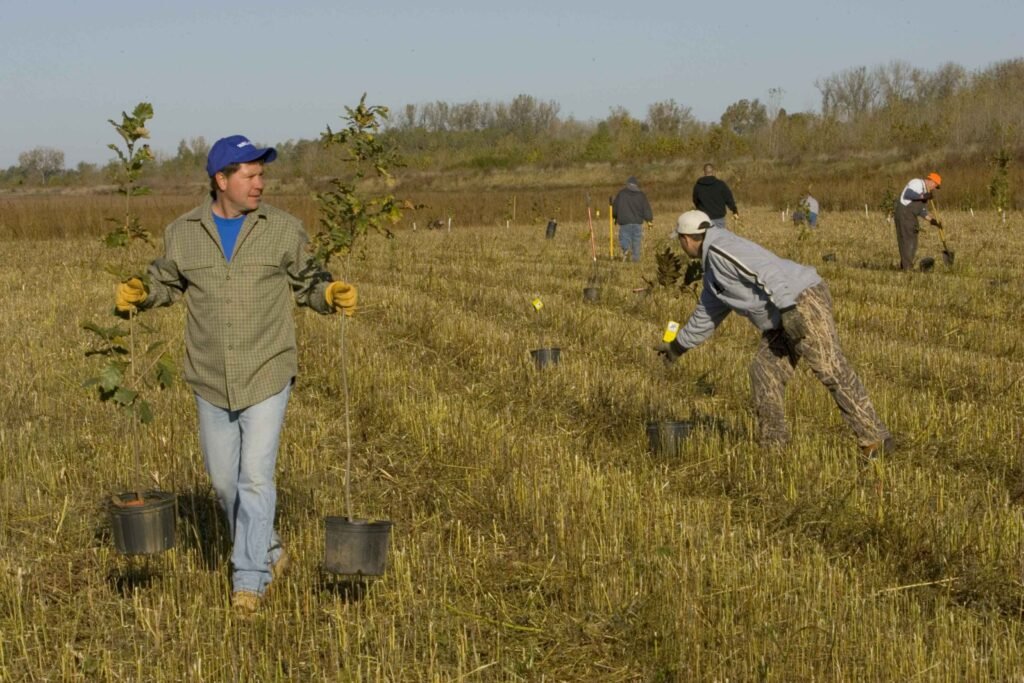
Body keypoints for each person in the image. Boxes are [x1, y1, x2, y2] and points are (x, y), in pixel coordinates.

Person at [114, 134, 357, 613]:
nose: (260, 183)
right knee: (226, 485)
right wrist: (140, 292)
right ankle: (269, 551)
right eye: (250, 175)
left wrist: (328, 295)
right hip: (209, 377)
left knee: (255, 479)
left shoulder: (282, 229)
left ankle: (249, 579)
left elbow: (309, 280)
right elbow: (165, 281)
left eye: (262, 174)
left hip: (267, 370)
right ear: (220, 180)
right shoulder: (183, 232)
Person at [655, 210, 893, 458]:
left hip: (800, 300)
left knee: (829, 366)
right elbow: (706, 314)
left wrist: (789, 309)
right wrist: (677, 346)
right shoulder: (712, 272)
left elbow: (766, 271)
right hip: (781, 314)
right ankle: (774, 447)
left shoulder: (722, 250)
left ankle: (875, 438)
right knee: (764, 371)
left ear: (686, 238)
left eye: (680, 240)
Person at [894, 172, 942, 270]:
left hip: (911, 217)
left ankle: (905, 266)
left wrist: (933, 221)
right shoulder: (917, 183)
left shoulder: (925, 192)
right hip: (904, 215)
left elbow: (921, 211)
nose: (934, 188)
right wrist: (923, 196)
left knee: (913, 241)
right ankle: (907, 267)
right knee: (907, 240)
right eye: (935, 185)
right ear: (931, 181)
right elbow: (908, 194)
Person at [612, 176, 653, 262]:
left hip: (625, 222)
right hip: (637, 223)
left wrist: (614, 217)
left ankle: (626, 250)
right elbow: (646, 208)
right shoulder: (641, 195)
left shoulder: (621, 194)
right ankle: (635, 260)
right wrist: (649, 220)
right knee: (636, 242)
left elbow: (615, 207)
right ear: (636, 185)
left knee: (624, 238)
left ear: (627, 184)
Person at [692, 164, 739, 229]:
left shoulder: (698, 186)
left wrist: (700, 209)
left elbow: (695, 201)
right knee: (720, 235)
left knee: (706, 235)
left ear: (704, 172)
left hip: (704, 219)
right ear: (713, 172)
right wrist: (734, 210)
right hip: (719, 219)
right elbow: (729, 199)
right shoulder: (721, 184)